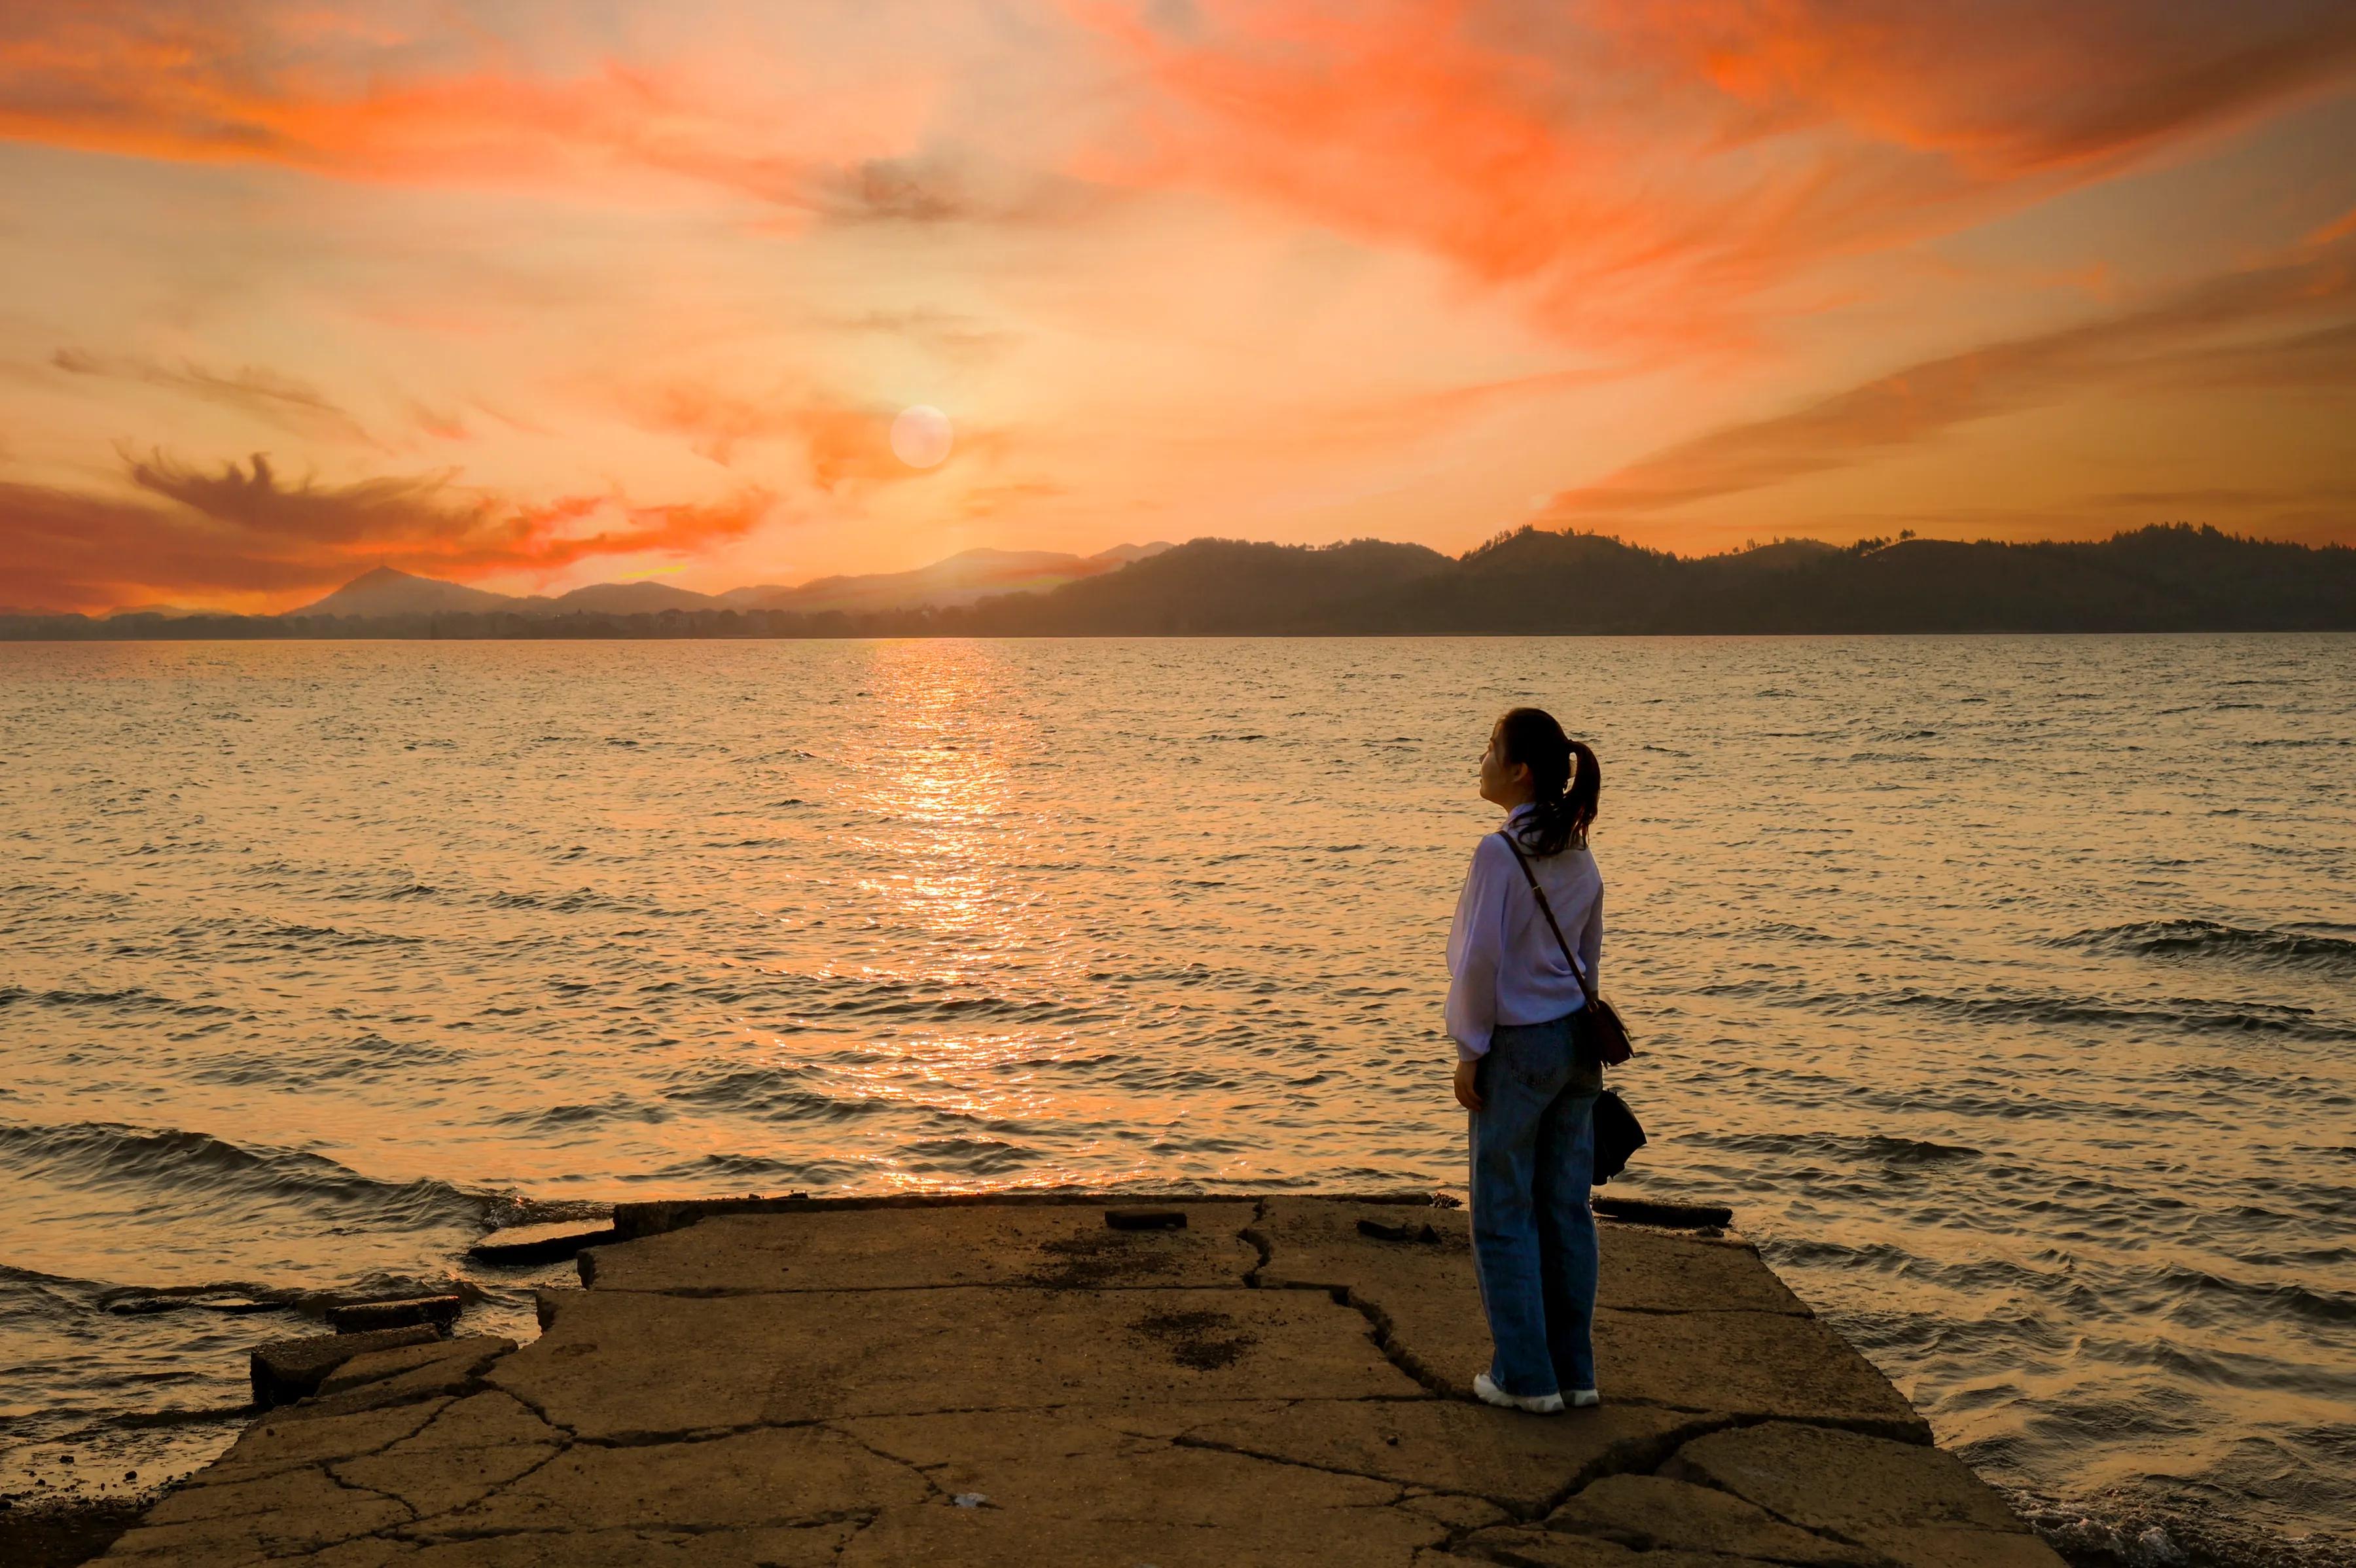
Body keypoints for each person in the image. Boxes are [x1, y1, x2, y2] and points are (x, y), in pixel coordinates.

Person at [1445, 705, 1606, 1414]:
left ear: (1520, 770)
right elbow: (1589, 953)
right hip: (1576, 1041)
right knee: (1566, 1208)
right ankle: (1575, 1373)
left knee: (1503, 1211)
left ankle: (1525, 1378)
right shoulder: (1577, 848)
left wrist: (1469, 1048)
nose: (1480, 760)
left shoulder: (1498, 852)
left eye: (1489, 749)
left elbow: (1478, 960)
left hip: (1518, 1044)